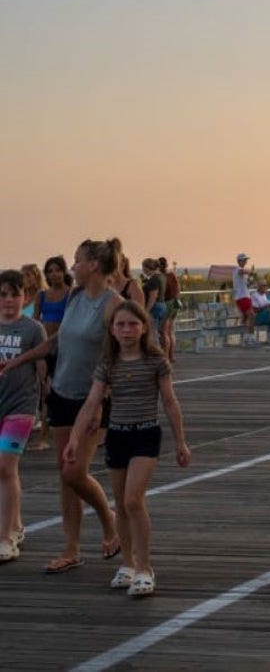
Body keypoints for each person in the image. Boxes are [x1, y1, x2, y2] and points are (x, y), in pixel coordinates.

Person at [63, 301, 190, 596]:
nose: (127, 330)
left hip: (145, 434)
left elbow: (170, 402)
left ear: (144, 327)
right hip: (118, 435)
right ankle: (128, 563)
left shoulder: (156, 361)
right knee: (120, 502)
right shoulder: (108, 364)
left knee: (133, 500)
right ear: (112, 329)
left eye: (133, 324)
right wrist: (74, 439)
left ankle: (145, 568)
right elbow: (92, 402)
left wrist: (181, 441)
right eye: (120, 324)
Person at [40, 239, 123, 573]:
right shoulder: (75, 297)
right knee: (65, 476)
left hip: (92, 400)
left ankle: (109, 519)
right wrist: (21, 361)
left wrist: (104, 398)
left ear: (92, 265)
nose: (72, 267)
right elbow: (56, 341)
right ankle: (71, 548)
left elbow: (120, 354)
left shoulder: (113, 303)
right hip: (62, 392)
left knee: (75, 471)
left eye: (76, 261)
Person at [0, 270, 48, 562]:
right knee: (6, 472)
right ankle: (15, 524)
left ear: (25, 297)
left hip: (20, 407)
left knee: (5, 467)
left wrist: (46, 403)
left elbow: (42, 368)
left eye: (14, 294)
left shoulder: (33, 329)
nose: (8, 300)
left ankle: (5, 538)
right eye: (2, 294)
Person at [29, 256, 72, 452]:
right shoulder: (42, 295)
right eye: (50, 271)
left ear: (64, 272)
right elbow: (35, 321)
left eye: (57, 270)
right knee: (45, 389)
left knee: (60, 389)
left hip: (64, 347)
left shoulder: (71, 294)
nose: (53, 274)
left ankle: (59, 431)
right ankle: (43, 435)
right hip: (44, 346)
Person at [157, 257, 181, 361]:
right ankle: (171, 356)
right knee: (170, 331)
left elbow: (161, 293)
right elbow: (178, 289)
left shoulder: (161, 277)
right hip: (176, 303)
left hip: (167, 303)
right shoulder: (172, 275)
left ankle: (166, 357)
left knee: (163, 332)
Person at [232, 253, 257, 345]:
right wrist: (251, 271)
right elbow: (242, 271)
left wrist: (250, 279)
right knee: (252, 315)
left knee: (246, 317)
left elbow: (247, 284)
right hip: (242, 297)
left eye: (246, 260)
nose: (246, 261)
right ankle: (250, 336)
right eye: (244, 260)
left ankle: (245, 337)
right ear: (239, 261)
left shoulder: (242, 273)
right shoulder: (237, 269)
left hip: (245, 296)